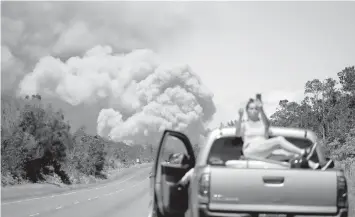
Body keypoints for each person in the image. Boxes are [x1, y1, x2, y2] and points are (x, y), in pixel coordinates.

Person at [235, 97, 319, 169]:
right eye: (251, 108)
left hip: (263, 153)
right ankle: (303, 152)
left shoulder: (262, 124)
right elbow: (237, 133)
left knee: (291, 154)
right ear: (247, 110)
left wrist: (261, 109)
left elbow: (267, 124)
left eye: (256, 109)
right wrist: (240, 116)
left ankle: (315, 166)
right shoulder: (244, 124)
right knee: (279, 140)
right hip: (251, 151)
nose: (254, 111)